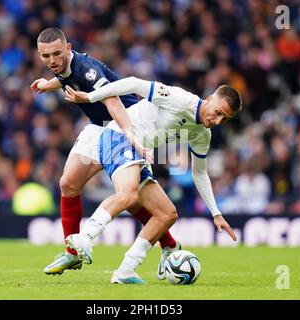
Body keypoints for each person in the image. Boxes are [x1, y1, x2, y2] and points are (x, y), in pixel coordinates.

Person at [30, 28, 180, 278]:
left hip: (125, 125)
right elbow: (65, 76)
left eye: (57, 54)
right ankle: (73, 251)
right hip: (98, 129)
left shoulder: (88, 69)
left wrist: (130, 135)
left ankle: (169, 246)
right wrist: (49, 85)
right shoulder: (63, 67)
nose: (52, 61)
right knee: (68, 183)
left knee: (133, 199)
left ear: (68, 49)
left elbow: (112, 101)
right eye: (45, 56)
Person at [63, 76, 241, 283]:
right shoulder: (180, 99)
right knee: (128, 194)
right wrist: (90, 96)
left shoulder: (202, 134)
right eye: (218, 113)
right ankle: (84, 238)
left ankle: (125, 271)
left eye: (225, 119)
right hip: (119, 135)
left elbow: (199, 172)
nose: (218, 121)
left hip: (139, 154)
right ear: (209, 99)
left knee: (167, 215)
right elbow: (134, 83)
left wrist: (216, 213)